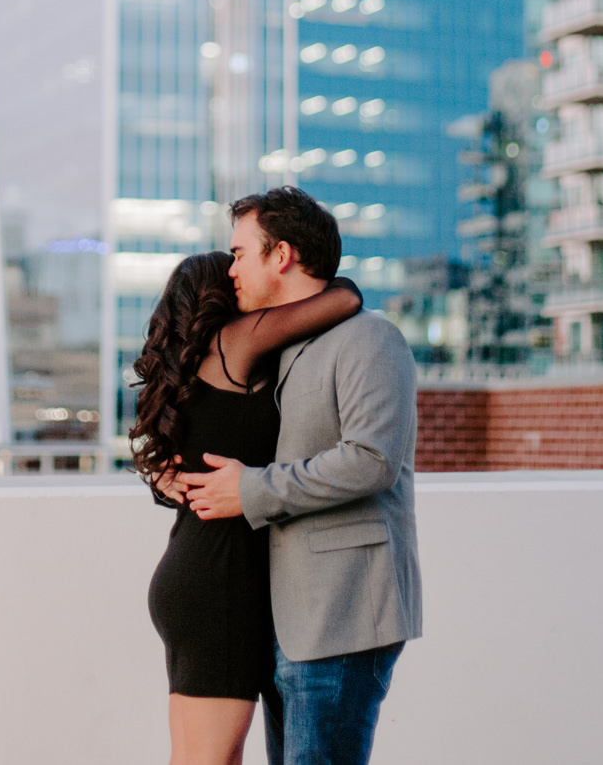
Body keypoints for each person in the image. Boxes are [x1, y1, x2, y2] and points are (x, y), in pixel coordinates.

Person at [178, 187, 421, 765]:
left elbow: (372, 459)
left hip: (341, 612)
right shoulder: (279, 346)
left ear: (280, 255)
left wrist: (251, 489)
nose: (230, 267)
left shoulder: (371, 338)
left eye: (240, 253)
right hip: (283, 616)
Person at [133, 250, 366, 765]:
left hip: (194, 574)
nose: (241, 276)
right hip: (222, 584)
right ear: (215, 293)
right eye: (232, 271)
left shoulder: (192, 367)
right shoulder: (235, 342)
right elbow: (345, 297)